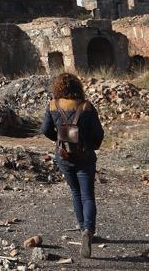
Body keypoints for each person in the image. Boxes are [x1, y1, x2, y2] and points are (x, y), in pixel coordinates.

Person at [41, 72, 105, 259]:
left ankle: (81, 225)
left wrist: (59, 140)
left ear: (58, 88)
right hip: (85, 158)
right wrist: (90, 146)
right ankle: (88, 230)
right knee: (88, 195)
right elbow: (99, 133)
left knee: (75, 193)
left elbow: (45, 129)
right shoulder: (86, 107)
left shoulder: (53, 105)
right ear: (78, 87)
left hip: (64, 157)